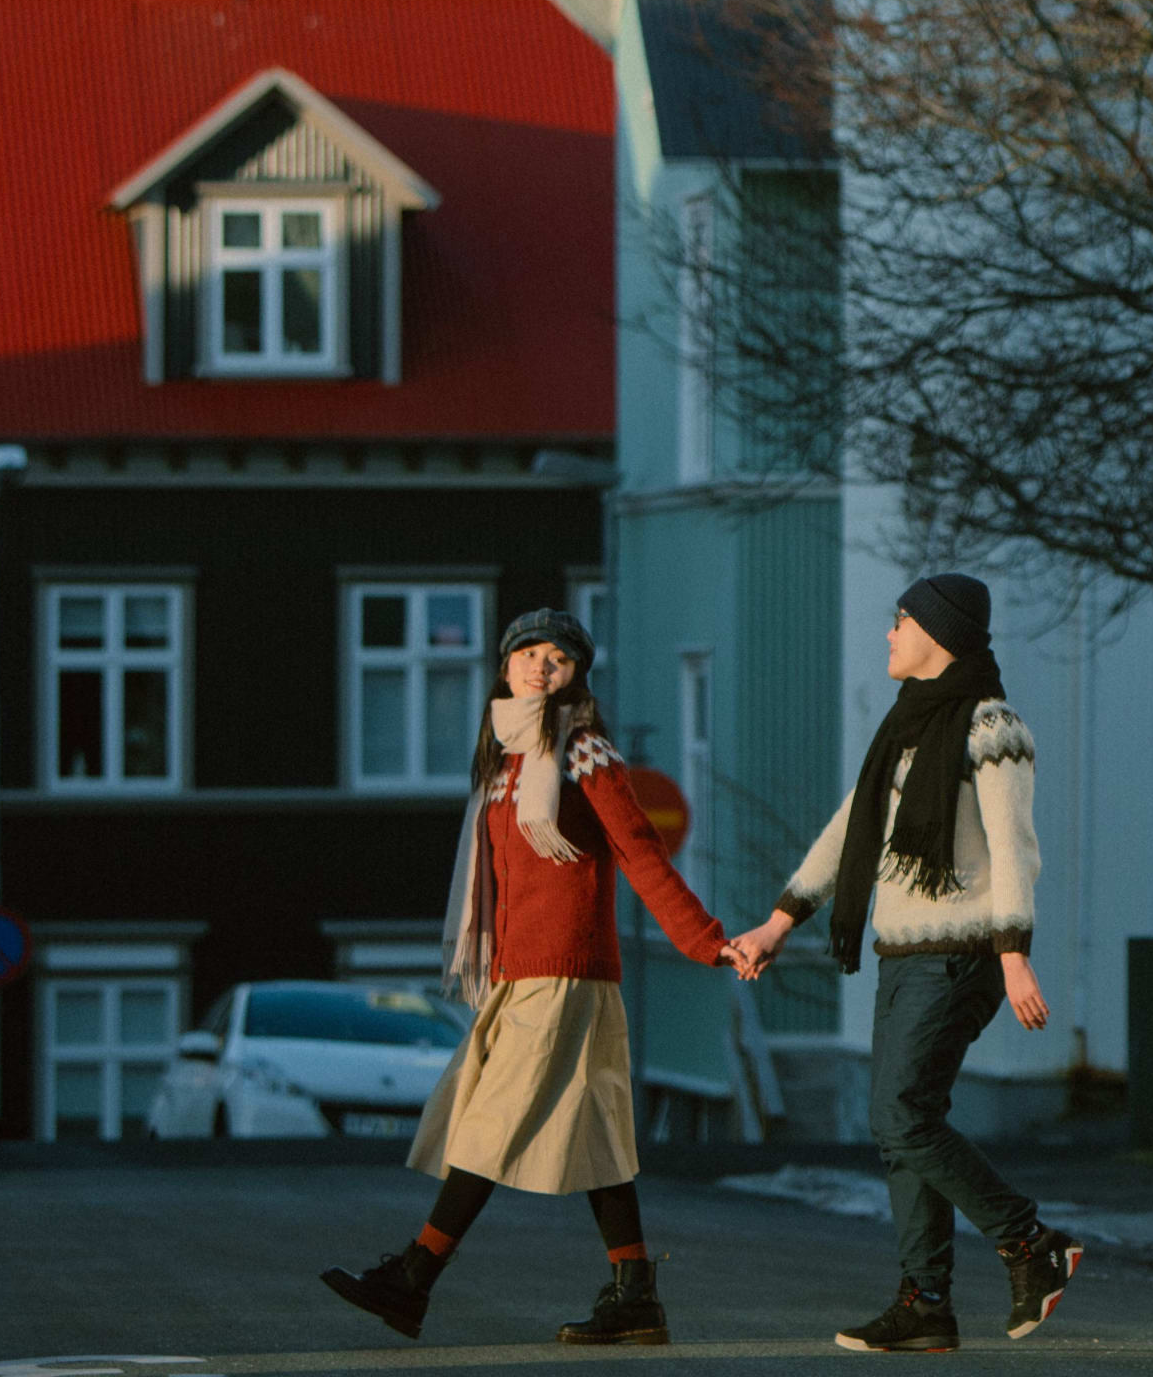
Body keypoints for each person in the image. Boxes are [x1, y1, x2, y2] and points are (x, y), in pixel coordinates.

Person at [320, 607, 731, 1350]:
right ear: (505, 667)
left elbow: (639, 850)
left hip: (563, 973)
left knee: (489, 1124)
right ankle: (635, 1294)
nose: (542, 667)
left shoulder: (584, 752)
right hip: (523, 973)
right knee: (597, 1131)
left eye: (560, 658)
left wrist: (706, 941)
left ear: (578, 676)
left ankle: (413, 1279)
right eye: (529, 654)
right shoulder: (505, 758)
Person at [726, 573, 1081, 1353]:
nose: (888, 635)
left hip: (961, 956)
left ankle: (1031, 1244)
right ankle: (925, 1306)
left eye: (901, 622)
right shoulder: (907, 728)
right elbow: (849, 830)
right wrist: (779, 922)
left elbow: (1016, 852)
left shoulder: (993, 729)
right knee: (900, 1131)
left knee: (902, 1115)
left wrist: (1015, 956)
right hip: (902, 955)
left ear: (938, 632)